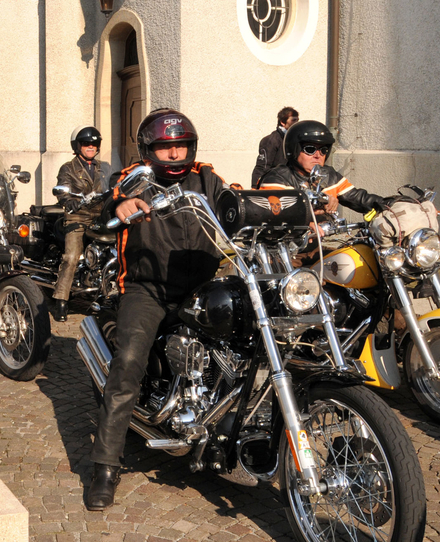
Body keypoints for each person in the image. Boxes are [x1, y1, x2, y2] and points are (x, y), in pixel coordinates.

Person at [87, 109, 229, 511]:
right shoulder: (135, 177)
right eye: (166, 147)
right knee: (128, 363)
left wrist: (282, 209)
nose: (175, 154)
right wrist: (119, 206)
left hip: (202, 287)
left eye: (180, 145)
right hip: (147, 289)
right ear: (149, 150)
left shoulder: (207, 178)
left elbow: (235, 201)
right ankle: (105, 466)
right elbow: (109, 202)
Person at [257, 120, 385, 217]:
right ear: (294, 150)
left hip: (321, 240)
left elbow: (359, 198)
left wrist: (389, 204)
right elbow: (277, 211)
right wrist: (320, 203)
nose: (318, 155)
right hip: (287, 243)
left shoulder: (329, 176)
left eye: (323, 150)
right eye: (310, 149)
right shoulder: (277, 178)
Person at [52, 126, 109, 321]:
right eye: (86, 143)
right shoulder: (68, 168)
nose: (90, 146)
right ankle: (61, 300)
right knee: (72, 257)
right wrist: (70, 202)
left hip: (101, 216)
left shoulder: (104, 167)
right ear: (78, 146)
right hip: (78, 216)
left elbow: (115, 186)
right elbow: (63, 190)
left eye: (94, 143)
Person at [251, 106, 298, 188]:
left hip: (290, 184)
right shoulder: (271, 140)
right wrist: (255, 187)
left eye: (297, 120)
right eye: (293, 120)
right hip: (273, 184)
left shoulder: (294, 139)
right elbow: (262, 166)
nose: (296, 123)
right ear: (283, 122)